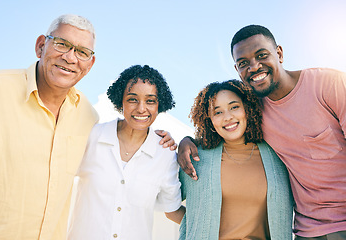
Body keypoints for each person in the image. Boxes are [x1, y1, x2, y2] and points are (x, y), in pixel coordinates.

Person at [0, 15, 175, 240]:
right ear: (40, 46)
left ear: (90, 63)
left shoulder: (86, 116)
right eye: (61, 44)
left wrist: (184, 144)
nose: (70, 57)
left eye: (82, 52)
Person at [178, 24, 346, 239]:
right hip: (307, 231)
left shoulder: (329, 84)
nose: (254, 67)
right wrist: (187, 140)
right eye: (243, 63)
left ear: (279, 54)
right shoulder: (255, 111)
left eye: (262, 55)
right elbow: (224, 125)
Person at [67, 65, 185, 240]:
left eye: (150, 101)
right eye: (132, 99)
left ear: (160, 105)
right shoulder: (92, 136)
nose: (141, 108)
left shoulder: (165, 154)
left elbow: (172, 210)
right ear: (120, 101)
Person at [177, 80, 293, 239]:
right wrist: (198, 226)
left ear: (248, 109)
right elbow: (168, 205)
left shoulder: (277, 154)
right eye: (218, 112)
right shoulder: (196, 158)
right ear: (209, 120)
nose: (228, 117)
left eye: (234, 107)